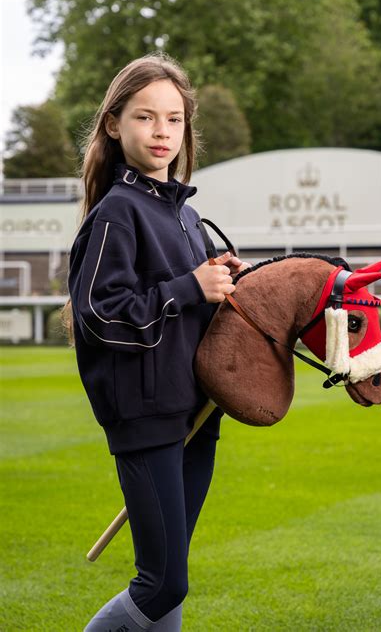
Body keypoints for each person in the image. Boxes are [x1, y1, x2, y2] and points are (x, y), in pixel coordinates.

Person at [66, 52, 250, 631]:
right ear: (114, 125)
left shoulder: (189, 219)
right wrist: (188, 287)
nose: (162, 131)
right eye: (146, 117)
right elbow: (98, 315)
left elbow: (191, 311)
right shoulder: (117, 212)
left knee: (169, 582)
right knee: (162, 581)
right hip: (146, 416)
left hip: (196, 417)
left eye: (174, 119)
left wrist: (224, 284)